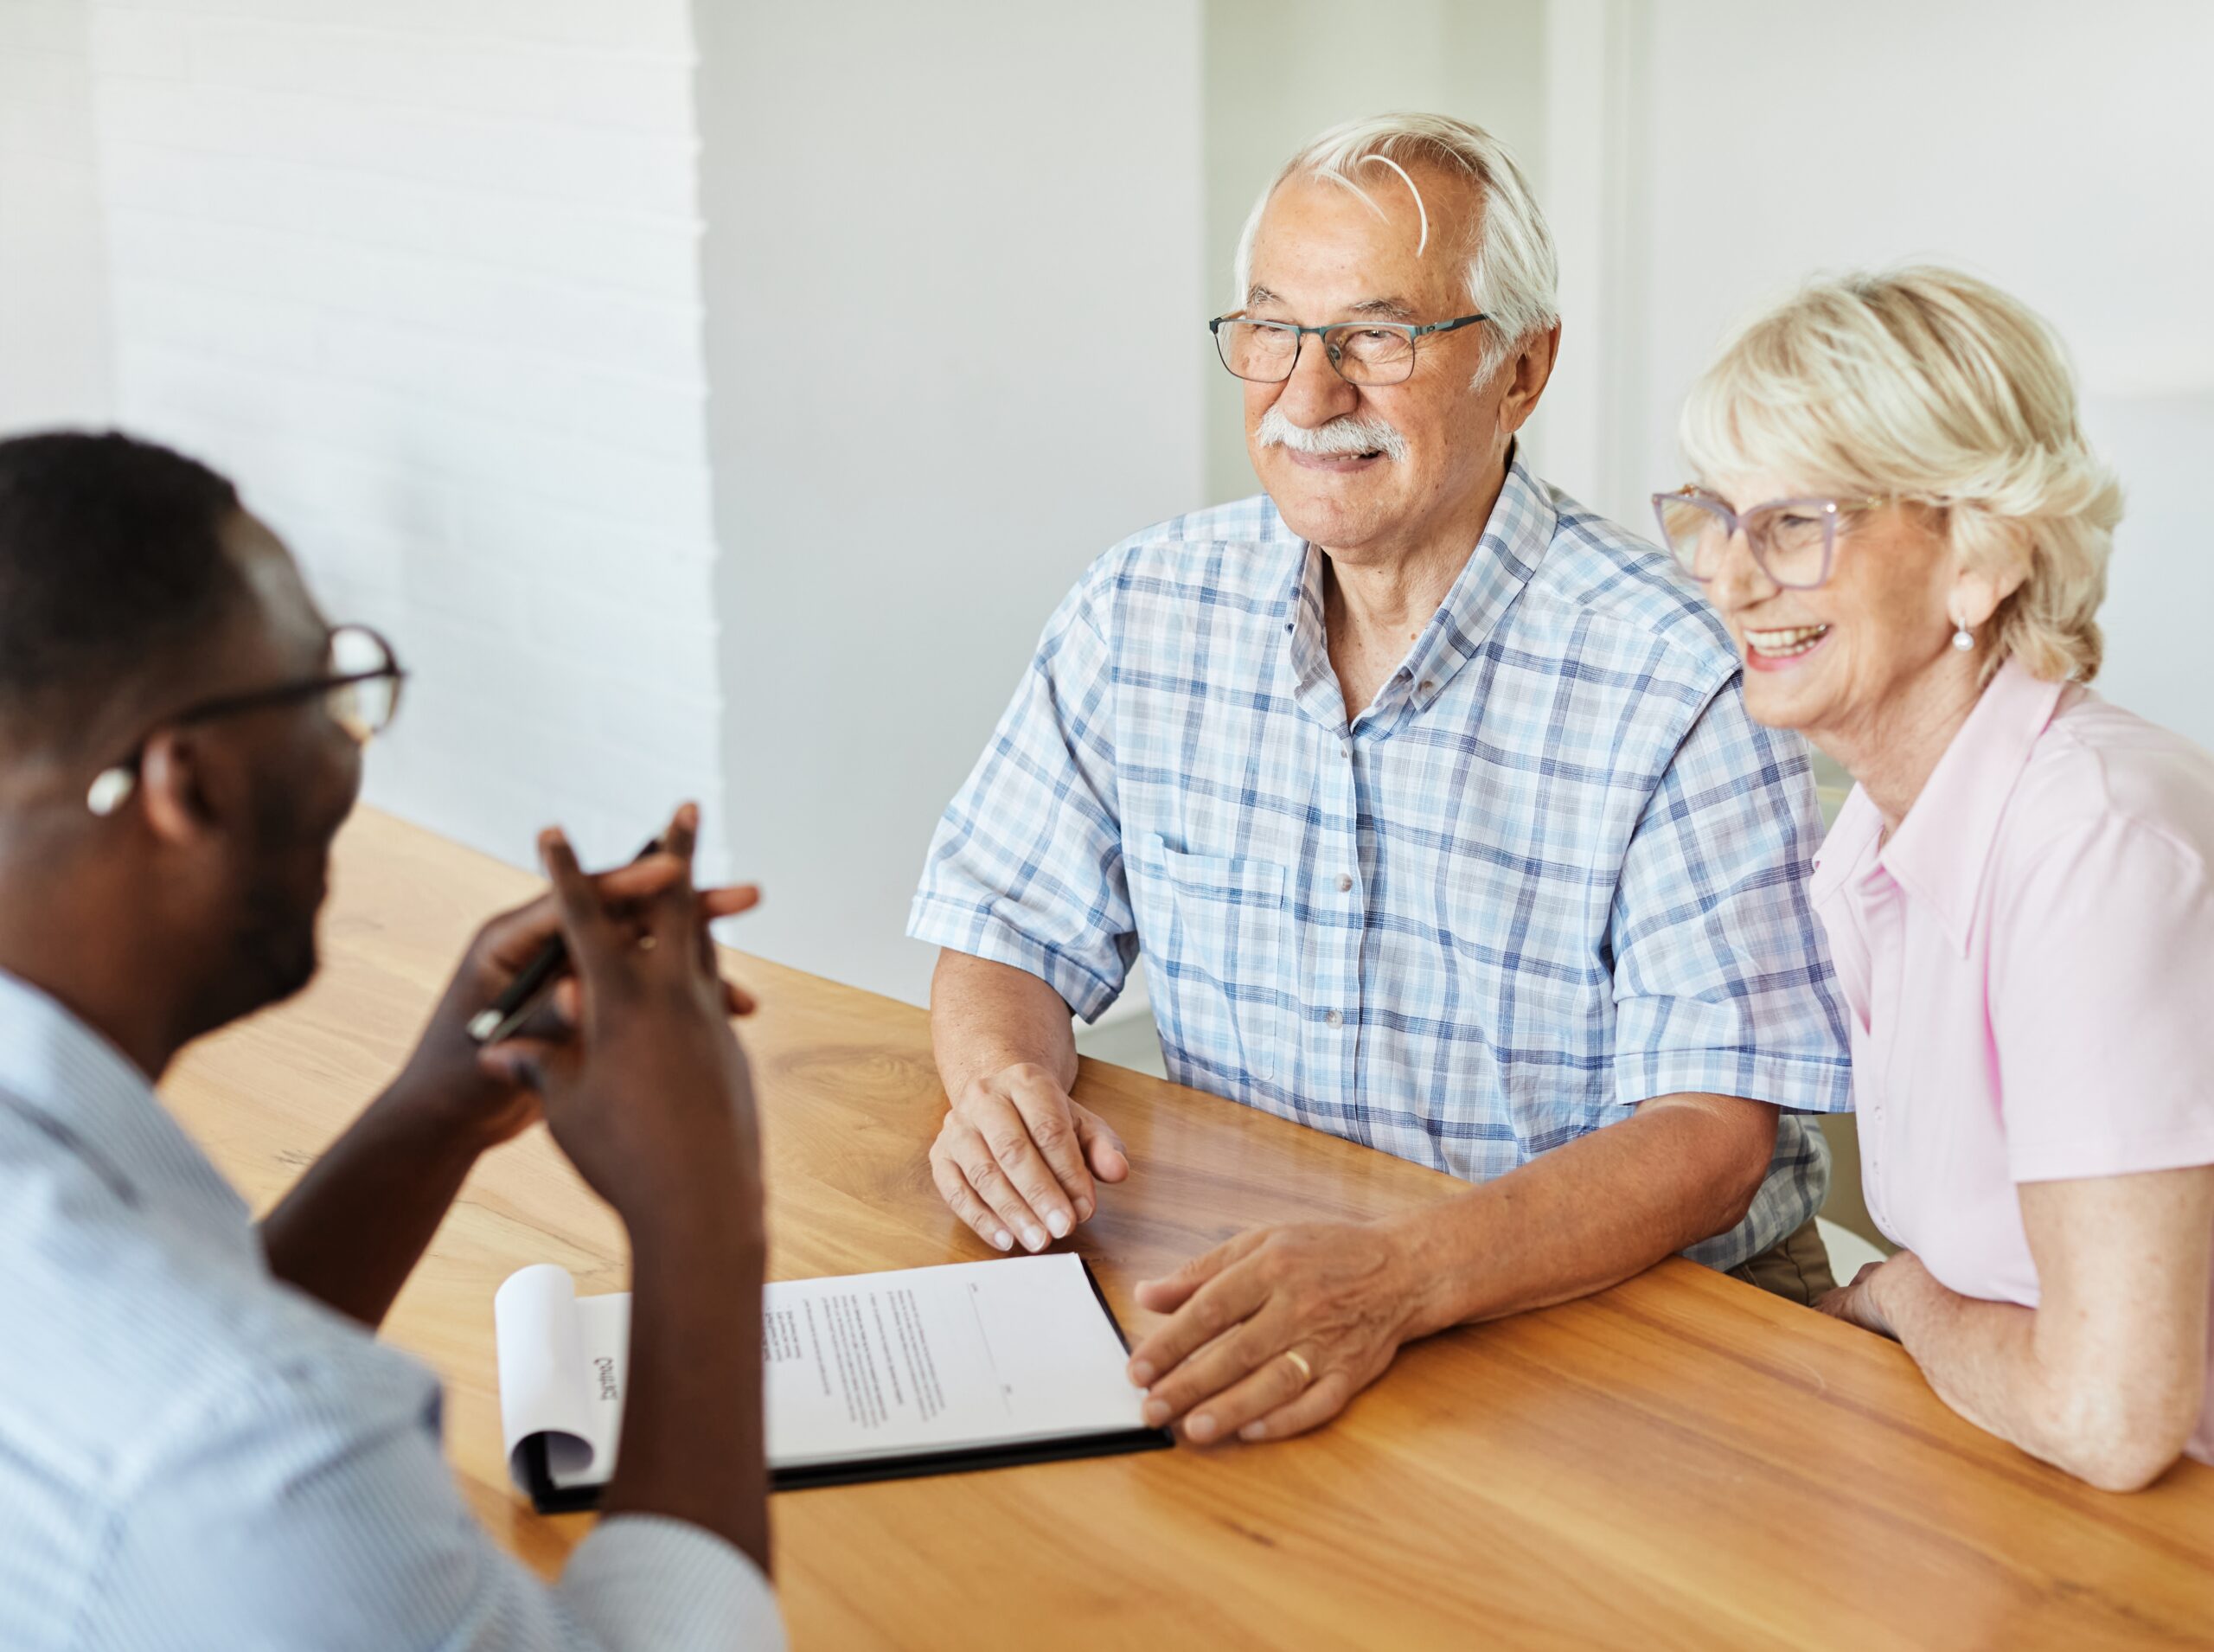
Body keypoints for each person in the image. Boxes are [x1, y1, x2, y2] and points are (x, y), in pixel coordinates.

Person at [907, 112, 1852, 1449]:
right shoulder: (1142, 608)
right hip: (1279, 1298)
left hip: (1634, 1324)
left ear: (1522, 370)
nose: (1307, 393)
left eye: (1378, 336)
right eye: (1273, 329)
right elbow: (1002, 932)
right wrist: (1000, 1082)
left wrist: (1403, 1274)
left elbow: (1710, 1132)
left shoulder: (1685, 667)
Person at [0, 431, 784, 1644]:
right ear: (187, 785)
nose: (350, 745)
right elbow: (226, 1398)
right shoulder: (265, 1444)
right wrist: (704, 1221)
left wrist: (430, 1115)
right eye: (324, 695)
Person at [1660, 265, 2214, 1490]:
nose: (1728, 575)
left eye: (1794, 522)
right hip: (2021, 1493)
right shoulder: (1878, 839)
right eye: (1713, 512)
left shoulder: (2097, 844)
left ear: (1980, 557)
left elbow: (2113, 1414)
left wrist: (1909, 1300)